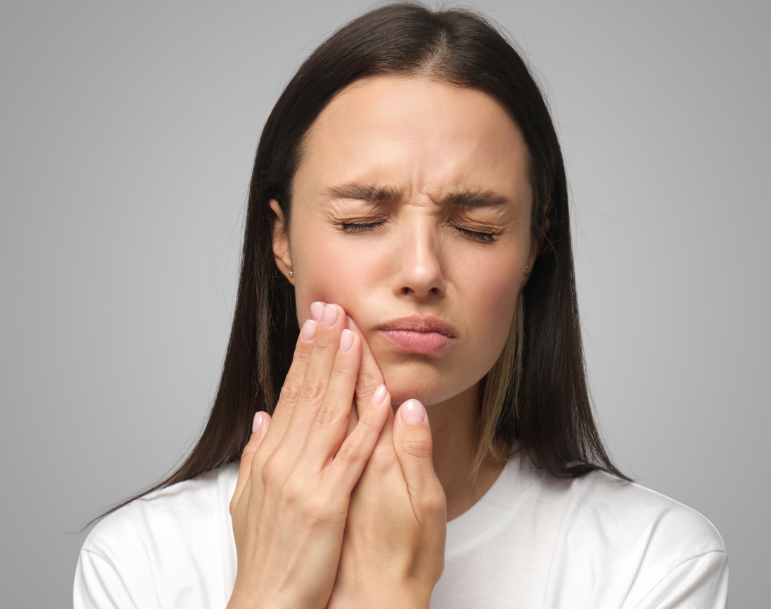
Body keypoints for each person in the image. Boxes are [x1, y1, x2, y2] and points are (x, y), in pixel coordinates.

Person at [73, 4, 728, 608]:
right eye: (361, 219)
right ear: (281, 240)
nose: (421, 270)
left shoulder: (654, 560)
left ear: (532, 248)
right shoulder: (139, 560)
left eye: (476, 227)